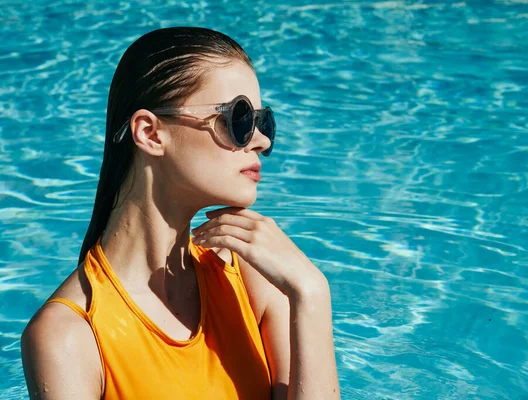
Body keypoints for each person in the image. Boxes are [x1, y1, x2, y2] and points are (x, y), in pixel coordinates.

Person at [21, 27, 339, 399]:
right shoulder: (69, 336)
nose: (262, 139)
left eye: (262, 121)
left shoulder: (252, 279)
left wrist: (312, 293)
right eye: (238, 119)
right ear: (151, 134)